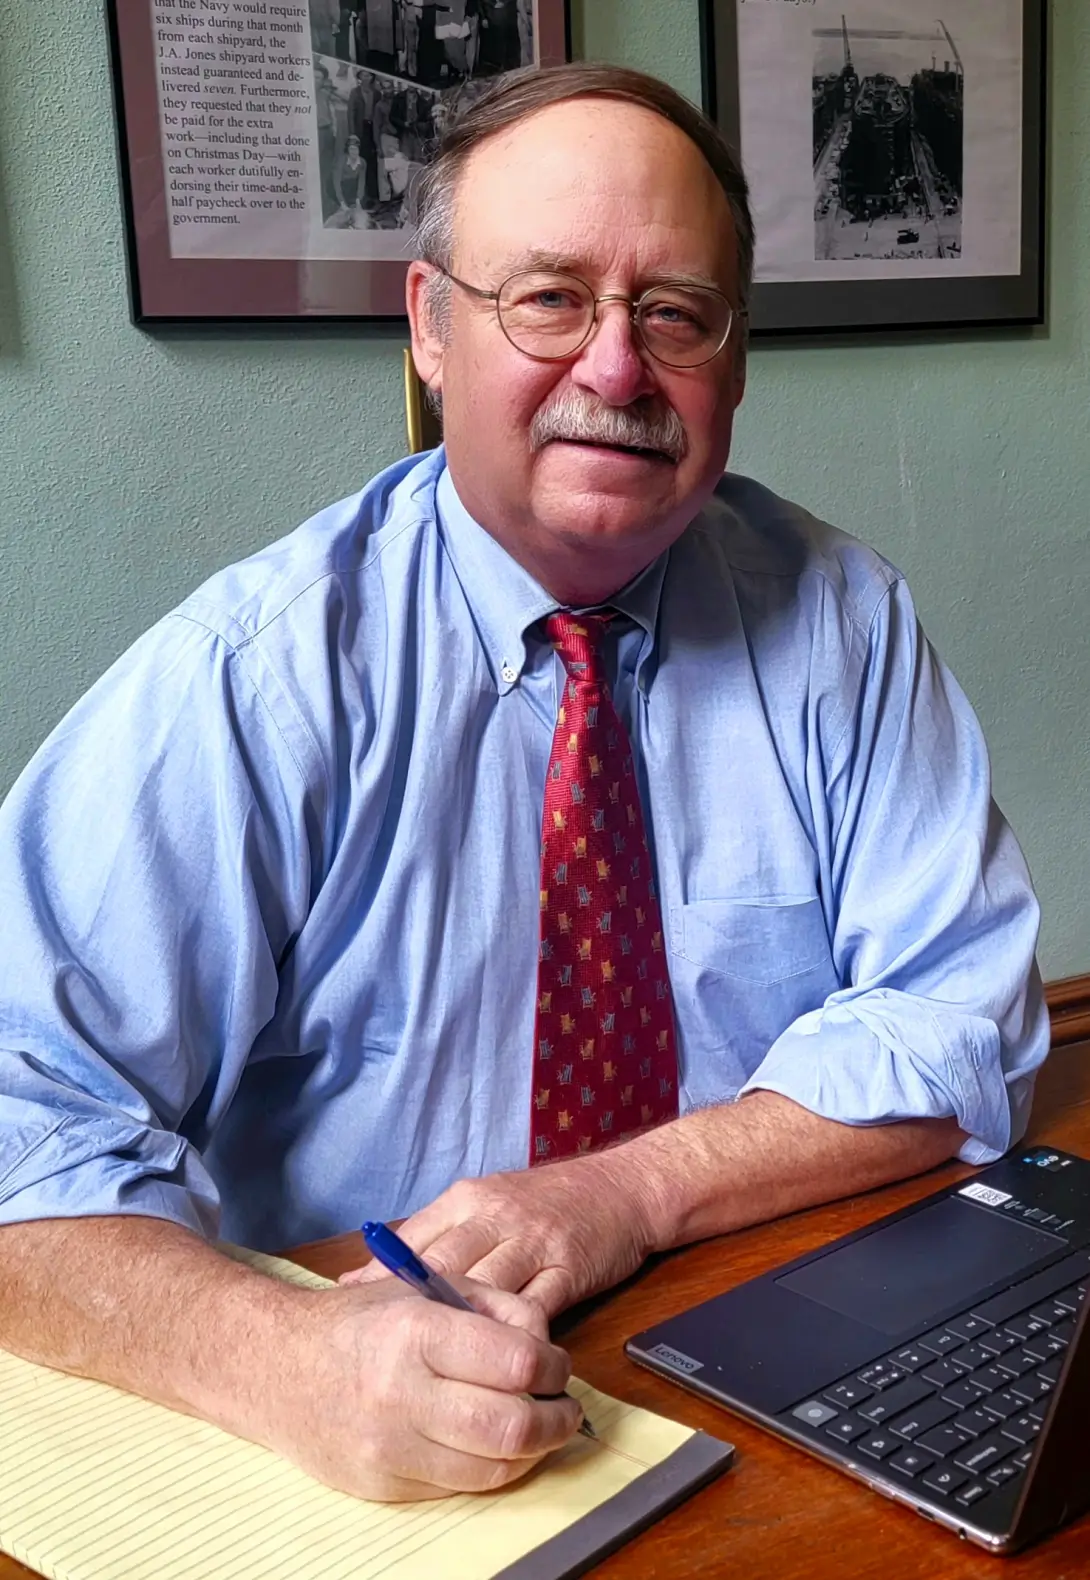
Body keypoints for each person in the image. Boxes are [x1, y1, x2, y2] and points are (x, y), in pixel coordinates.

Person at [0, 63, 1048, 1506]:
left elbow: (964, 1024)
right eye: (548, 299)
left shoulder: (841, 623)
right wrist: (277, 1359)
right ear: (431, 328)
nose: (615, 371)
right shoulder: (256, 678)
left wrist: (622, 1192)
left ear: (735, 358)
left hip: (752, 1339)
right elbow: (19, 1124)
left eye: (673, 313)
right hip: (368, 1412)